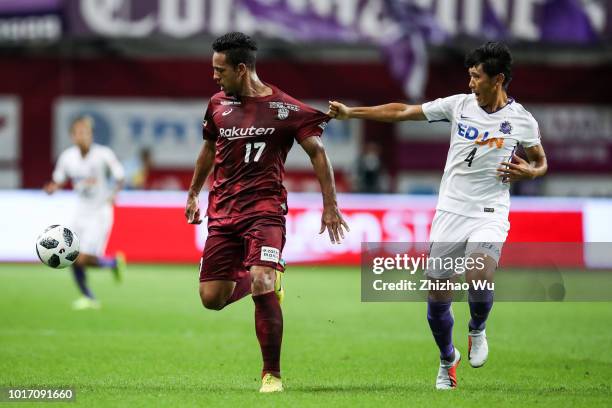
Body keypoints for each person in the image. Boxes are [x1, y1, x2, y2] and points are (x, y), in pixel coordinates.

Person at [328, 42, 547, 390]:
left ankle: (477, 329)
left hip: (490, 210)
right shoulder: (458, 105)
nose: (471, 83)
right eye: (470, 76)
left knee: (479, 274)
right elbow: (402, 112)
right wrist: (352, 113)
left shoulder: (521, 120)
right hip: (450, 211)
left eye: (477, 77)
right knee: (437, 299)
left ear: (498, 79)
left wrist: (531, 173)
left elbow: (540, 161)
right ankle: (448, 359)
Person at [185, 32, 349, 393]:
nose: (214, 77)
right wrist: (194, 192)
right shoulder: (216, 104)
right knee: (211, 299)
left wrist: (330, 205)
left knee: (260, 281)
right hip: (223, 212)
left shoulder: (285, 108)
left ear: (241, 69)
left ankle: (271, 375)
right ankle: (273, 279)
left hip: (265, 210)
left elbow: (318, 152)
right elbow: (208, 150)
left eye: (220, 70)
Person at [44, 116, 126, 310]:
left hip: (99, 212)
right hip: (80, 212)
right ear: (72, 136)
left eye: (86, 132)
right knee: (70, 256)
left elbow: (120, 177)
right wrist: (52, 187)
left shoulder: (103, 154)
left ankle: (112, 263)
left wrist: (114, 193)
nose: (82, 136)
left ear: (91, 135)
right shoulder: (67, 157)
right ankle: (88, 296)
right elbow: (59, 179)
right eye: (78, 133)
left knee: (84, 259)